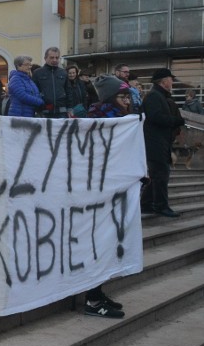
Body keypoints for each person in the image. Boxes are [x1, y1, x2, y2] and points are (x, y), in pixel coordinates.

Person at [76, 74, 132, 318]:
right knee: (97, 246)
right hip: (97, 194)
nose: (128, 101)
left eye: (129, 96)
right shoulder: (97, 120)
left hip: (114, 192)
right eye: (123, 96)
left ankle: (98, 292)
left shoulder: (122, 120)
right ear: (110, 98)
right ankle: (92, 300)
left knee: (107, 245)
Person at [141, 69, 185, 218]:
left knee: (156, 175)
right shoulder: (154, 96)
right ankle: (161, 206)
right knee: (161, 174)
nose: (172, 82)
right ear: (163, 81)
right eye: (170, 79)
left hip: (161, 141)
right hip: (155, 142)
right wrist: (176, 121)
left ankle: (146, 204)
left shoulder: (159, 95)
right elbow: (155, 117)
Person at [31, 46, 68, 117]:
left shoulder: (63, 72)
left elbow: (68, 91)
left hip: (61, 111)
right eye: (52, 57)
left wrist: (70, 108)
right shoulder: (37, 73)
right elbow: (34, 92)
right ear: (45, 58)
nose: (54, 60)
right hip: (44, 111)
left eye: (57, 57)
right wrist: (37, 108)